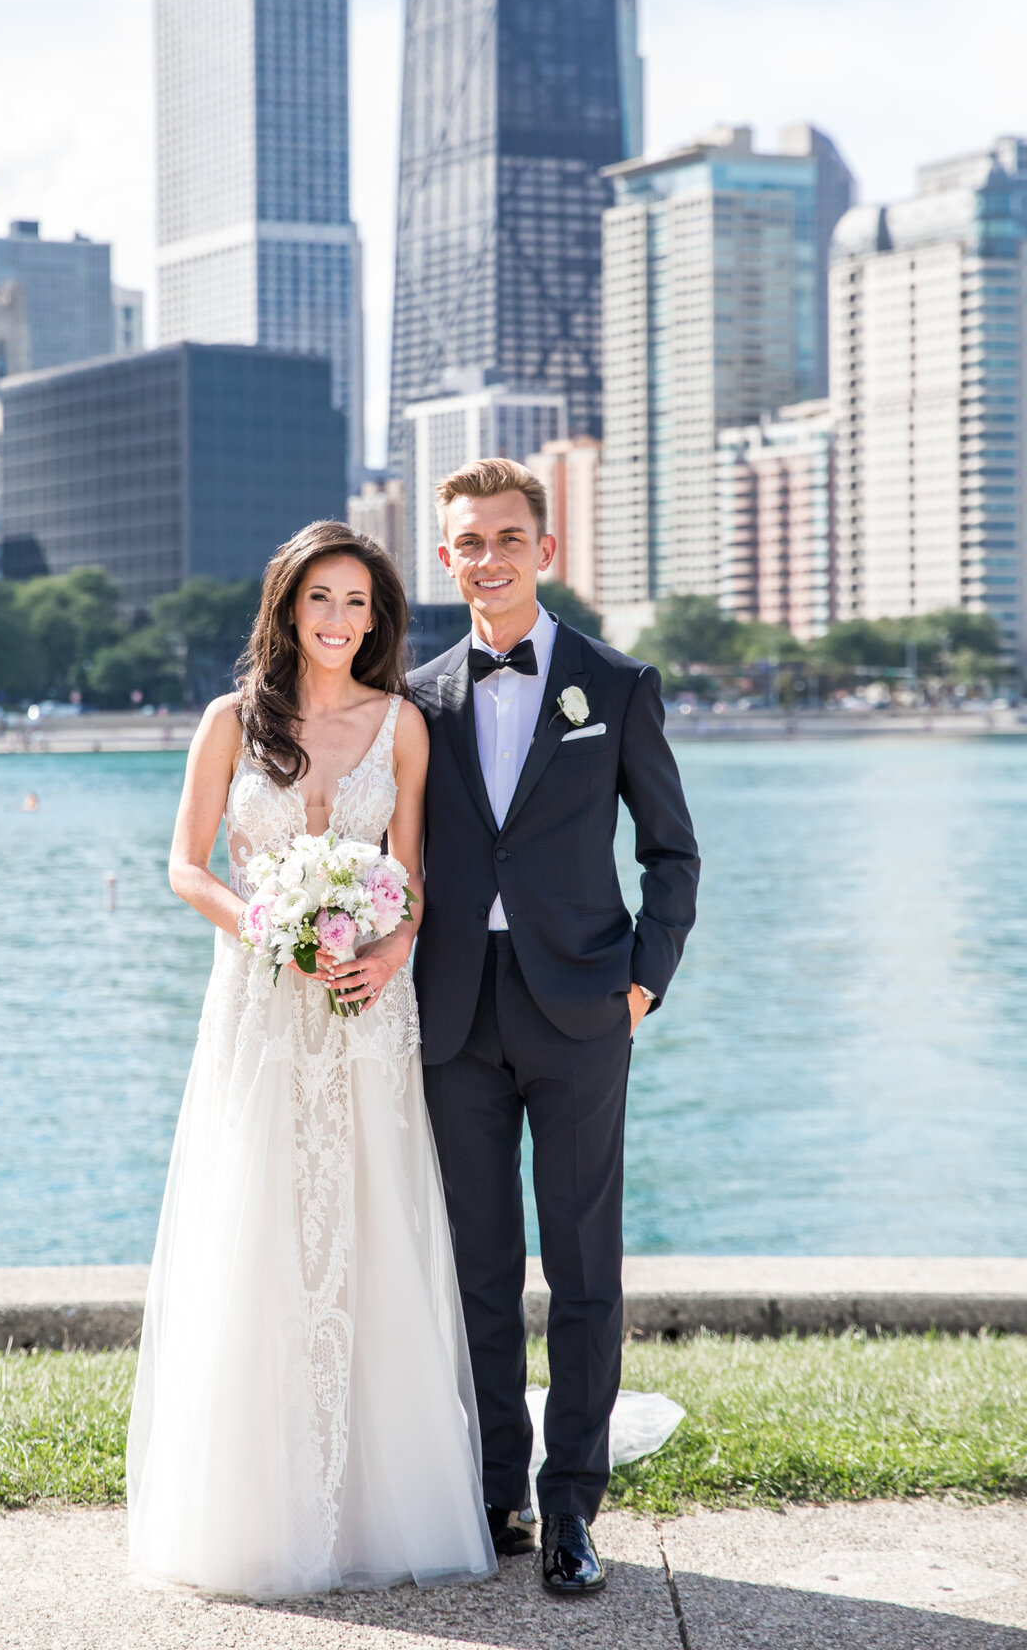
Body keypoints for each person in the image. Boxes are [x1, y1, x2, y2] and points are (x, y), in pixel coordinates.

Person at [127, 520, 495, 1599]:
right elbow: (185, 867)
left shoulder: (405, 728)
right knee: (259, 1226)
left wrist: (386, 954)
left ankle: (377, 1510)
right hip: (259, 1004)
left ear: (380, 619)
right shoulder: (231, 722)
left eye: (360, 604)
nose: (340, 622)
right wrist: (263, 925)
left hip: (368, 1014)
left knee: (367, 1226)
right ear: (288, 608)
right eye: (321, 600)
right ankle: (255, 1514)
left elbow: (414, 877)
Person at [408, 459, 699, 1599]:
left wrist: (644, 982)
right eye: (469, 541)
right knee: (478, 1271)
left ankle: (574, 1506)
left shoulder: (615, 686)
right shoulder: (417, 696)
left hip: (583, 1012)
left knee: (583, 1271)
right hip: (455, 1016)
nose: (490, 557)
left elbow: (672, 852)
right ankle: (498, 1494)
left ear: (548, 548)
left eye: (509, 537)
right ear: (446, 558)